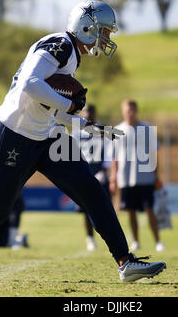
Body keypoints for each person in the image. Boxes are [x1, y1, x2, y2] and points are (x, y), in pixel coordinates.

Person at [0, 0, 166, 282]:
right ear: (86, 28)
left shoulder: (70, 54)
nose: (106, 38)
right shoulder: (61, 45)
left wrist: (86, 126)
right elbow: (30, 85)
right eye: (103, 31)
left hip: (45, 137)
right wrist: (68, 107)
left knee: (92, 190)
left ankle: (125, 262)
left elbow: (47, 107)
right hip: (13, 136)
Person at [110, 99, 165, 252]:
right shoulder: (117, 130)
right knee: (131, 211)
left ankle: (158, 241)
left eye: (133, 109)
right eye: (128, 110)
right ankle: (136, 241)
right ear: (123, 111)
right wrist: (113, 178)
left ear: (136, 110)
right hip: (126, 178)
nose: (130, 113)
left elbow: (154, 154)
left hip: (145, 177)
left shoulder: (147, 129)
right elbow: (114, 158)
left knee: (149, 209)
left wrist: (156, 175)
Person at [72, 104, 111, 251]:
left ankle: (109, 238)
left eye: (91, 112)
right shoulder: (77, 132)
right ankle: (90, 238)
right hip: (84, 172)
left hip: (99, 172)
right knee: (86, 209)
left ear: (95, 114)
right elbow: (72, 153)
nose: (88, 115)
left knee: (105, 207)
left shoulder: (102, 130)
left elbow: (109, 150)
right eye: (86, 112)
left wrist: (104, 171)